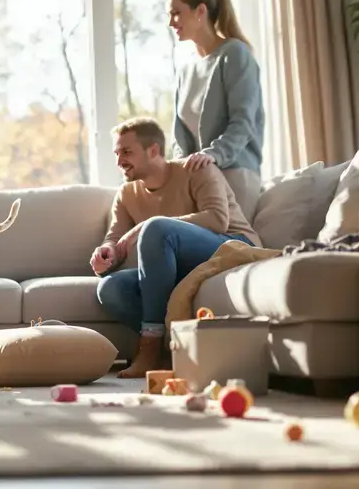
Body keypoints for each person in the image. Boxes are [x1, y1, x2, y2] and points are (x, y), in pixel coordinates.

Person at [90, 117, 261, 379]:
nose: (119, 161)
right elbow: (114, 239)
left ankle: (149, 347)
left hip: (232, 248)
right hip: (182, 267)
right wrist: (107, 254)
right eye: (116, 153)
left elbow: (217, 219)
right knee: (110, 288)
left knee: (157, 228)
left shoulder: (197, 168)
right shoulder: (127, 194)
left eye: (126, 152)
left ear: (154, 150)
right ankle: (178, 348)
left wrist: (146, 225)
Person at [168, 0, 265, 220]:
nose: (171, 22)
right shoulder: (186, 68)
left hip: (234, 174)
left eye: (176, 13)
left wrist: (213, 155)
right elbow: (180, 134)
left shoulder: (234, 54)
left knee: (228, 251)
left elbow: (243, 121)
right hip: (199, 180)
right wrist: (180, 171)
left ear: (200, 11)